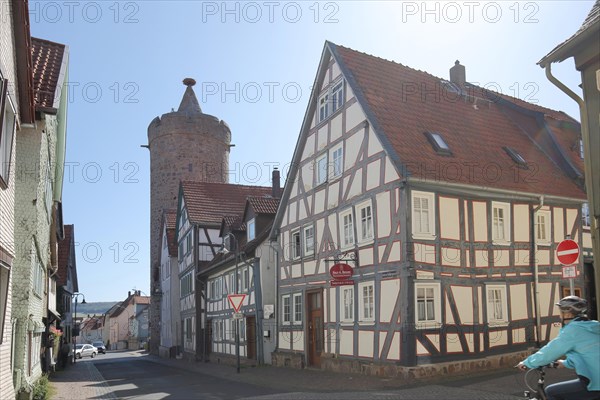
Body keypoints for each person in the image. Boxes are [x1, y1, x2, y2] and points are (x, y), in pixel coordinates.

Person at [517, 295, 600, 400]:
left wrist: (527, 363)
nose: (560, 315)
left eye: (561, 312)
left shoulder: (573, 331)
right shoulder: (593, 326)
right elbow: (589, 354)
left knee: (551, 392)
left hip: (595, 384)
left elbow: (549, 351)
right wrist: (565, 363)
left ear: (568, 313)